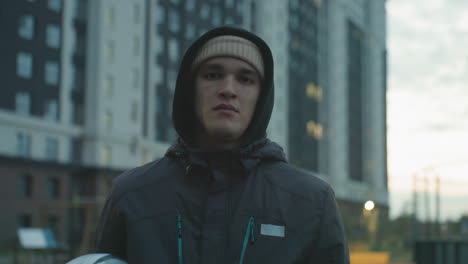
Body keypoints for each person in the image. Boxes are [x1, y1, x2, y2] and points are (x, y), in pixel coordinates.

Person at [95, 26, 349, 264]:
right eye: (213, 75)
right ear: (190, 89)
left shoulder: (311, 201)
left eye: (246, 79)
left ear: (261, 98)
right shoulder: (131, 193)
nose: (228, 89)